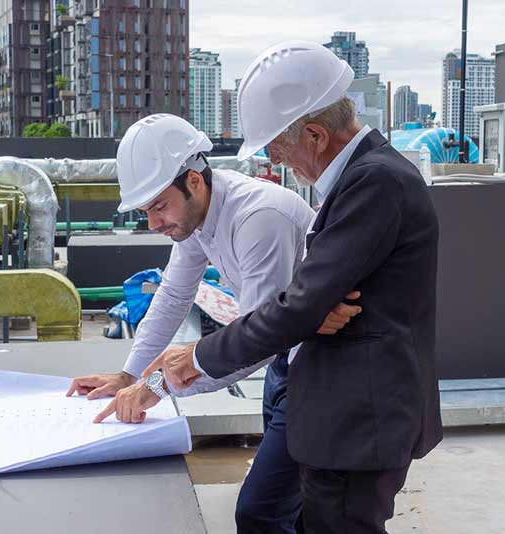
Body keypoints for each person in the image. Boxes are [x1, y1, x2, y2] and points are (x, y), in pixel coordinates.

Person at [143, 41, 443, 534]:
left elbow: (297, 305)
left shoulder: (375, 184)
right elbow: (308, 303)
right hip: (339, 413)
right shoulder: (365, 179)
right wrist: (309, 310)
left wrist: (194, 358)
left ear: (315, 135)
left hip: (358, 422)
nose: (279, 164)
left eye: (278, 149)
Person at [66, 113, 361, 533]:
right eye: (146, 211)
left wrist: (156, 386)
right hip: (288, 362)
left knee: (261, 511)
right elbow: (172, 295)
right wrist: (128, 373)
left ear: (194, 181)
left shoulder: (259, 218)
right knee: (296, 506)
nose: (153, 223)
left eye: (158, 206)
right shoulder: (199, 219)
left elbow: (256, 341)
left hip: (324, 371)